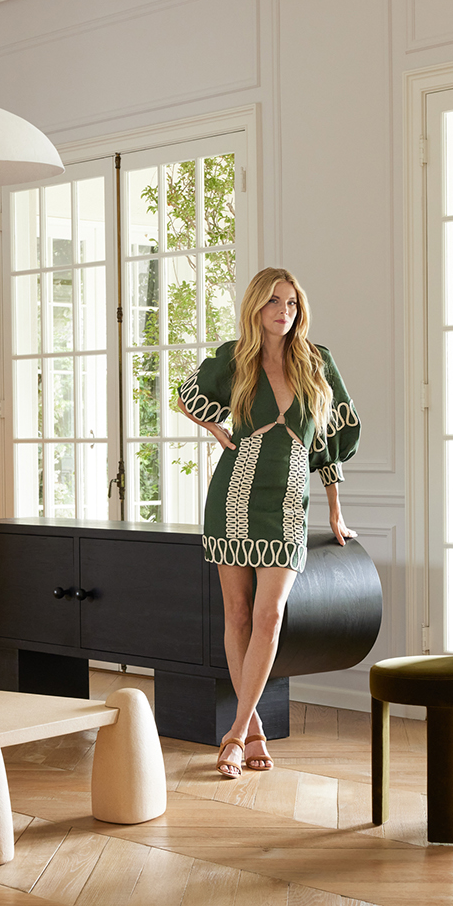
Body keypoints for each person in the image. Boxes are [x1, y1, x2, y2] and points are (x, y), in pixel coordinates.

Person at [175, 267, 361, 778]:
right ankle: (251, 728)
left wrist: (334, 508)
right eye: (275, 302)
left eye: (292, 303)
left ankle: (232, 734)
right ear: (257, 306)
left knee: (269, 615)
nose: (285, 311)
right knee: (237, 614)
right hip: (233, 497)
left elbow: (328, 439)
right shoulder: (235, 359)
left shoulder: (317, 362)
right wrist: (214, 427)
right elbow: (183, 394)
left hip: (286, 502)